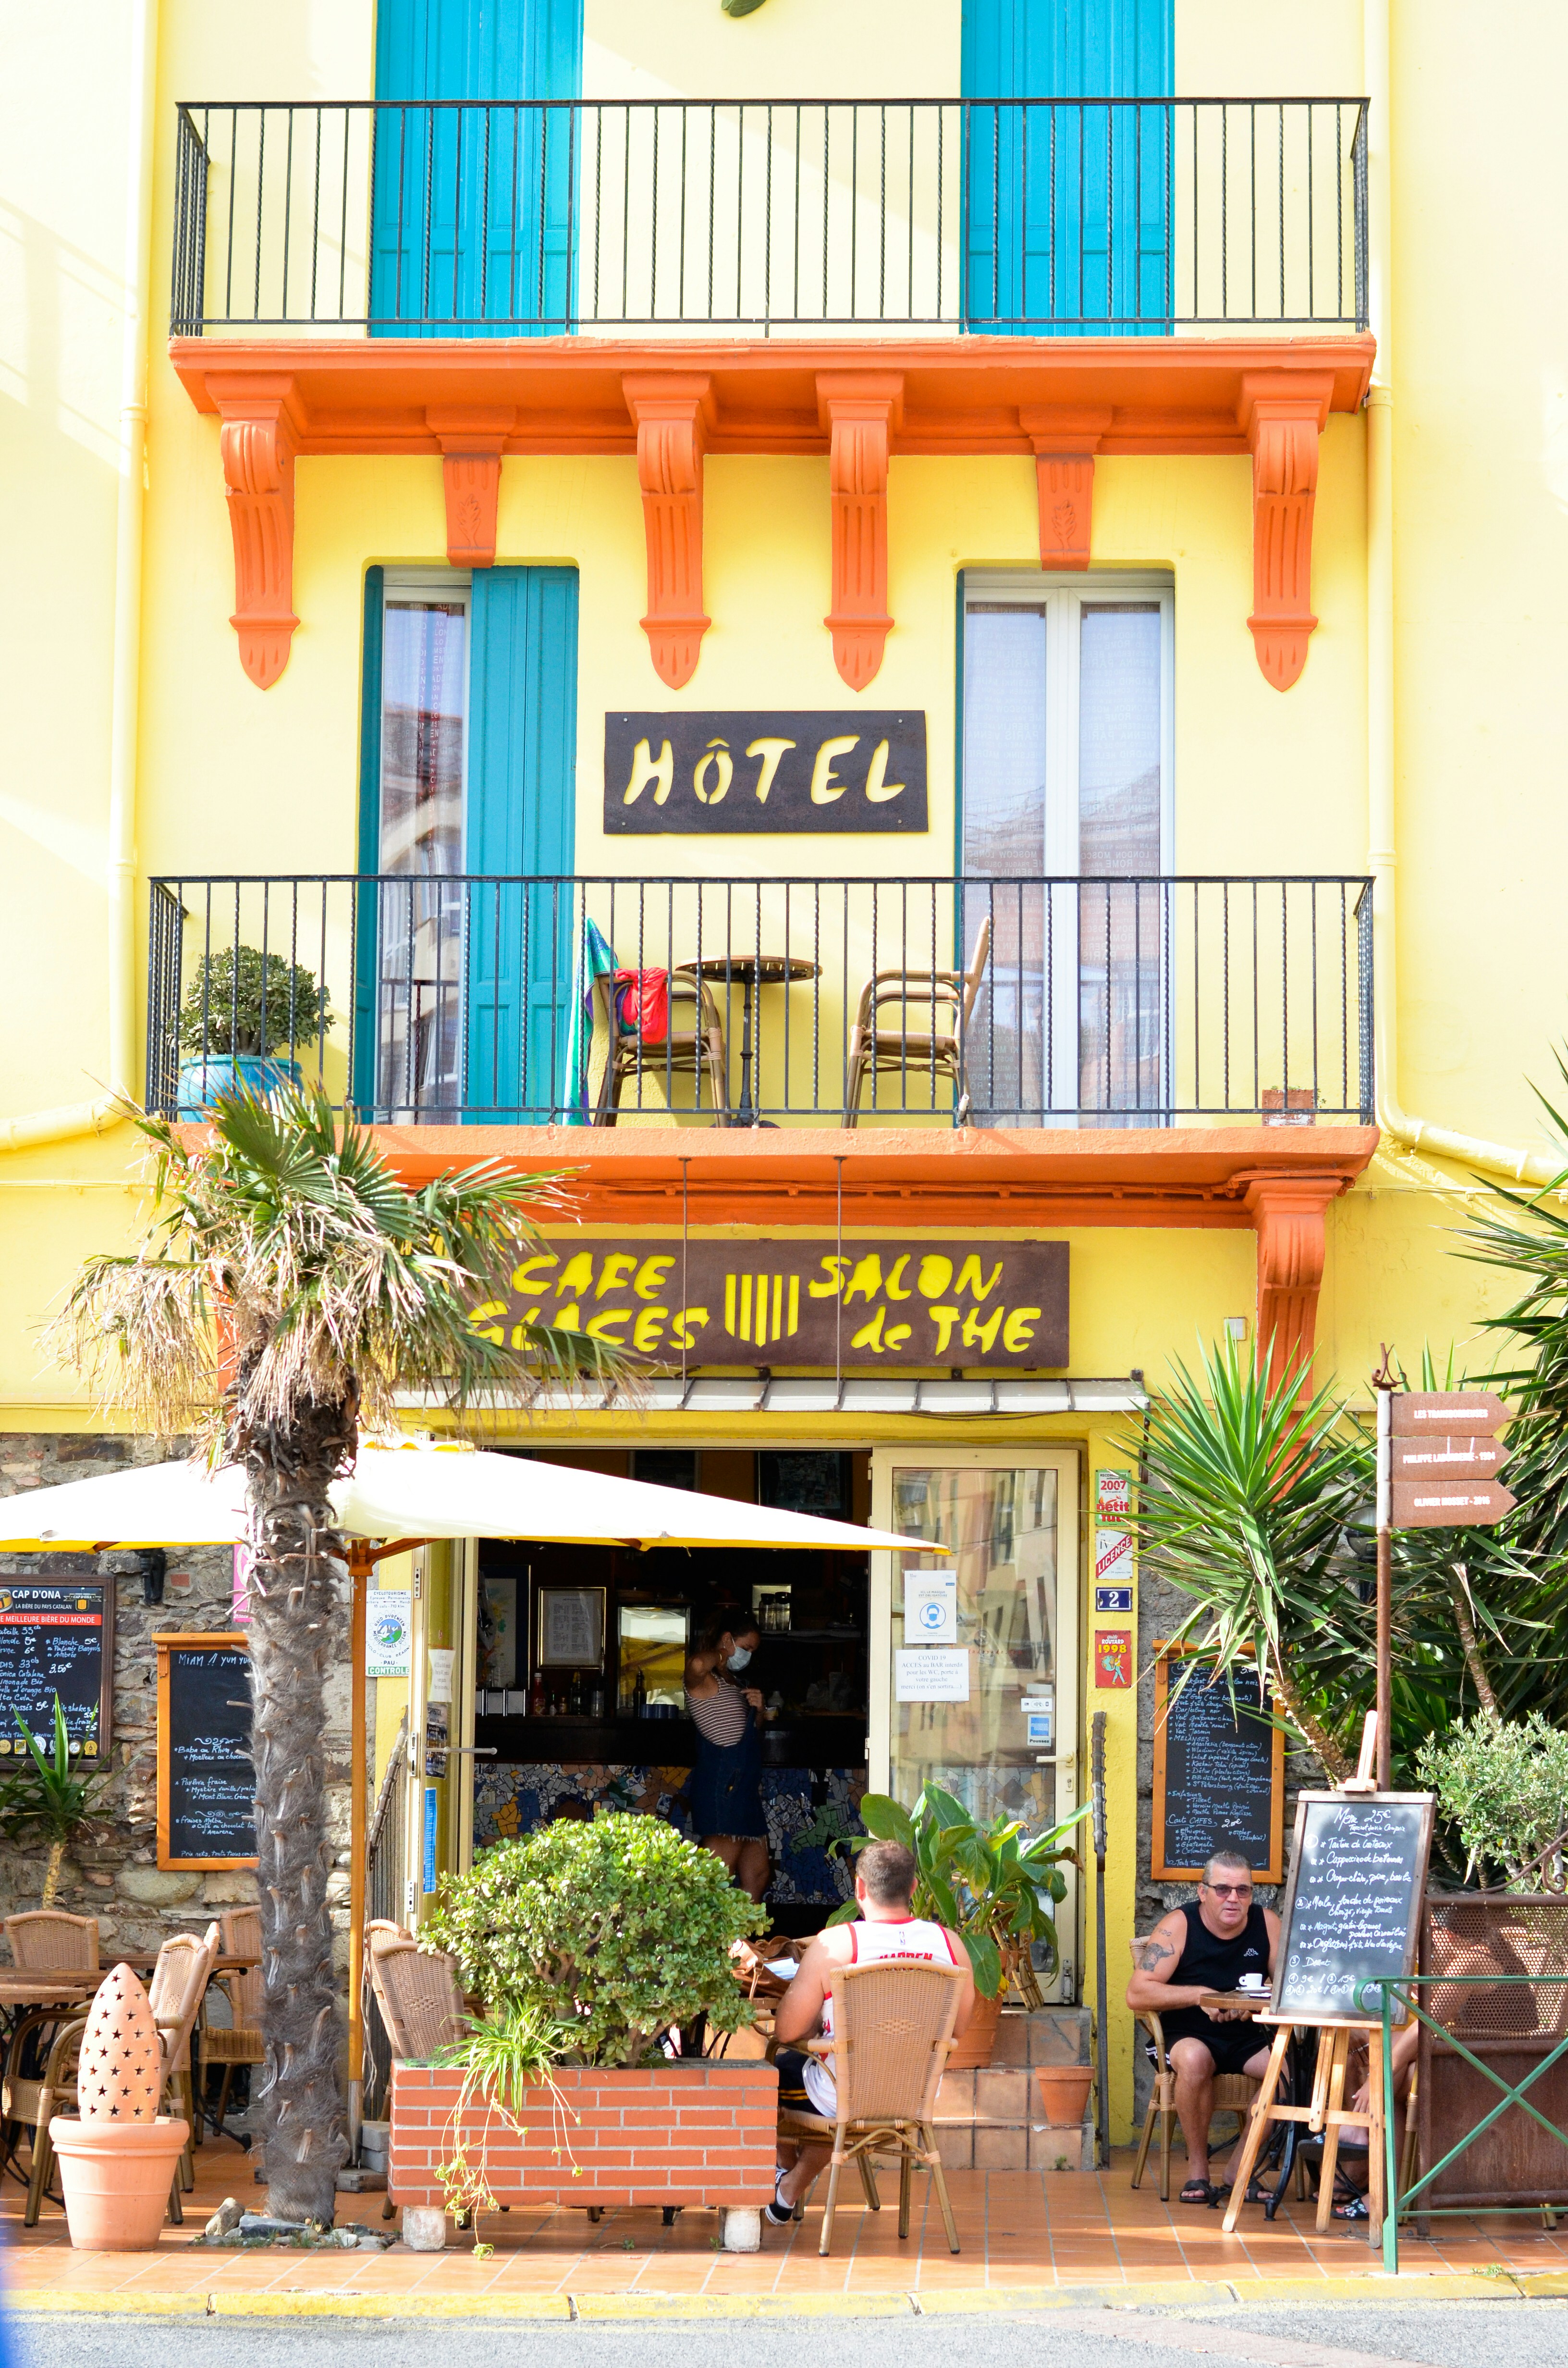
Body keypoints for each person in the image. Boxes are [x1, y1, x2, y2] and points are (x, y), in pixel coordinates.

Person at [764, 1837, 974, 2227]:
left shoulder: (838, 1944)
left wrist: (815, 2023)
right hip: (915, 2094)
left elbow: (788, 2029)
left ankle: (786, 2180)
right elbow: (958, 2029)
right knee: (821, 2081)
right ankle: (787, 2187)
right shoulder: (952, 1945)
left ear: (860, 1888)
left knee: (772, 2073)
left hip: (839, 2096)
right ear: (913, 1888)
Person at [1125, 1847, 1279, 2208]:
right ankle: (1198, 2168)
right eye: (1223, 1889)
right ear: (1203, 1892)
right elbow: (1137, 1993)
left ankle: (1241, 2169)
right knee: (1195, 2059)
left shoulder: (1267, 1923)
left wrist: (1260, 1999)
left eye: (1243, 1890)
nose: (1233, 1898)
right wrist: (1202, 1996)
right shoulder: (1178, 1925)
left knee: (1291, 2070)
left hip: (1247, 2034)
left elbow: (1293, 1985)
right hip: (1187, 2034)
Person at [685, 1608, 776, 1903]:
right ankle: (705, 1943)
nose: (748, 1655)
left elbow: (750, 1731)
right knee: (716, 1877)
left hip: (744, 1787)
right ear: (728, 1640)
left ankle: (744, 1944)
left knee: (759, 1872)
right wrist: (723, 1653)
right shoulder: (703, 1681)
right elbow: (697, 1663)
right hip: (723, 1785)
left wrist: (759, 1710)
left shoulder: (735, 1684)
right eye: (746, 1648)